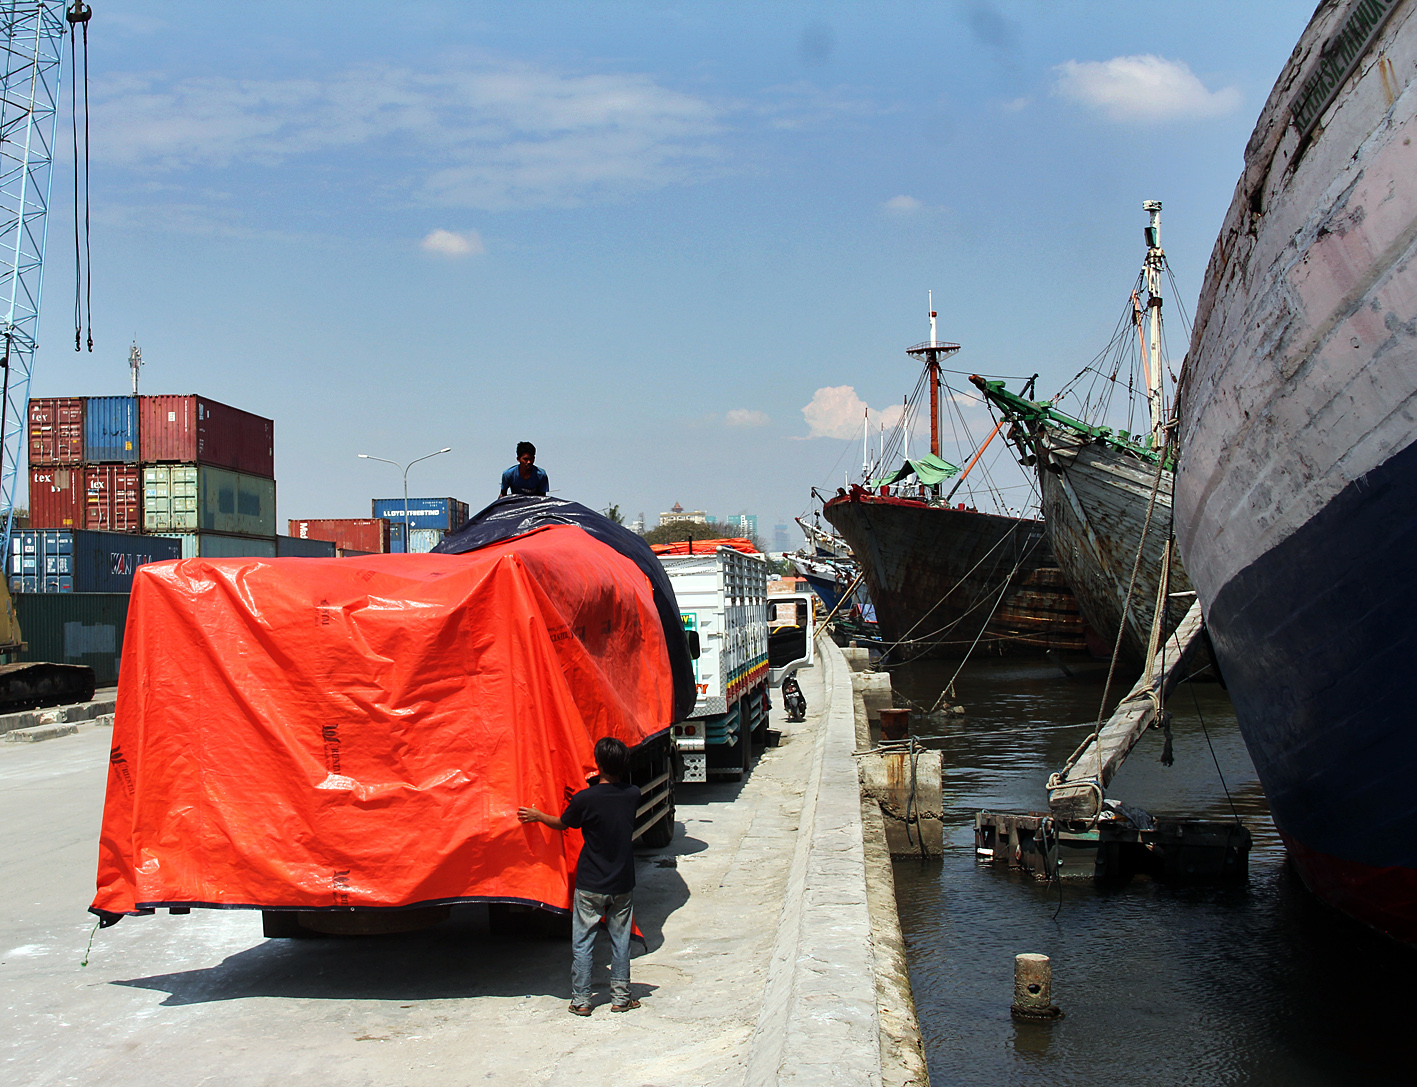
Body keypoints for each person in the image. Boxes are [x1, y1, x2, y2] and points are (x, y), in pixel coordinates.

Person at [518, 737, 641, 1016]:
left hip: (590, 882)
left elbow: (563, 823)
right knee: (620, 940)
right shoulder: (633, 794)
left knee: (584, 941)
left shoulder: (585, 799)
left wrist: (537, 815)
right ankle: (621, 998)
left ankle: (582, 1000)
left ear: (597, 764)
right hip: (622, 881)